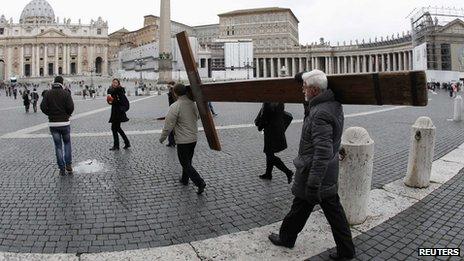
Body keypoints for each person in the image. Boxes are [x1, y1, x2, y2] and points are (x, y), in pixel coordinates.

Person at [268, 70, 355, 261]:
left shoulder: (320, 114)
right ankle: (289, 237)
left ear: (314, 90)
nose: (302, 90)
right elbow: (318, 121)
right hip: (324, 171)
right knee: (308, 209)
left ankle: (287, 238)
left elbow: (322, 151)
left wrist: (314, 183)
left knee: (317, 210)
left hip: (314, 173)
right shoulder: (331, 104)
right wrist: (303, 78)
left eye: (305, 87)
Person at [159, 83, 206, 195]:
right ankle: (185, 179)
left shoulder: (175, 106)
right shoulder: (193, 104)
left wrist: (162, 138)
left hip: (183, 139)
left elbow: (168, 125)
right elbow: (198, 116)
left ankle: (199, 182)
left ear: (175, 93)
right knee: (188, 160)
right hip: (193, 138)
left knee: (184, 162)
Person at [40, 76, 75, 176]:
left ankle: (61, 168)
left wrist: (50, 114)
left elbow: (42, 107)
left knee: (58, 146)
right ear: (62, 83)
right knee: (67, 144)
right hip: (64, 123)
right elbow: (71, 108)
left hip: (53, 123)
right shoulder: (66, 93)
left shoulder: (48, 93)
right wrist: (66, 114)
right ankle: (68, 164)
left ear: (54, 82)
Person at [255, 102, 293, 183]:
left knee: (269, 154)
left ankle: (288, 172)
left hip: (271, 130)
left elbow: (265, 115)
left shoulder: (269, 100)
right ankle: (268, 174)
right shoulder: (279, 100)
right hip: (278, 128)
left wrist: (259, 125)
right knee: (269, 152)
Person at [108, 78, 131, 151]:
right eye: (113, 82)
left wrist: (121, 108)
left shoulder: (120, 91)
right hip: (115, 111)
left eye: (116, 83)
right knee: (117, 128)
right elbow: (113, 101)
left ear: (118, 84)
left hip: (118, 112)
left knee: (115, 128)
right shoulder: (112, 91)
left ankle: (117, 145)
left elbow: (125, 102)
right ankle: (126, 143)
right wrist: (110, 102)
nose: (114, 84)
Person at [166, 81, 177, 147]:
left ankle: (171, 142)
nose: (167, 87)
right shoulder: (172, 91)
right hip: (173, 110)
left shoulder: (173, 91)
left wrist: (173, 89)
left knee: (170, 127)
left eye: (168, 86)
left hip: (174, 111)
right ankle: (172, 142)